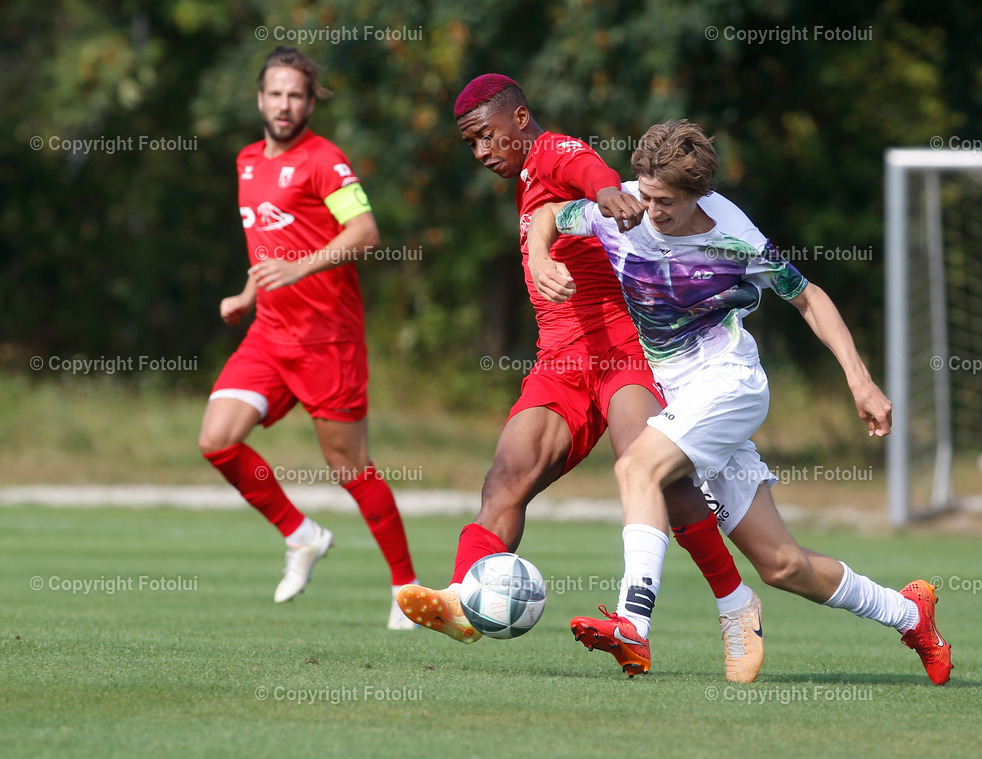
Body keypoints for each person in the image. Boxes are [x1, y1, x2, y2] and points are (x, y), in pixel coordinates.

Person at [526, 119, 952, 685]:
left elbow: (809, 298)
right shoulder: (622, 209)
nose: (651, 211)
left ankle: (632, 623)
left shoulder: (735, 237)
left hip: (729, 383)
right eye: (645, 194)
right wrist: (538, 257)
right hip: (682, 394)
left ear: (699, 194)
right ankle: (909, 614)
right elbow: (547, 215)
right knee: (781, 565)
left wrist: (860, 380)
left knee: (636, 467)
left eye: (667, 202)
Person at [397, 74, 765, 682]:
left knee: (662, 480)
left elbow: (587, 168)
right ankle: (465, 601)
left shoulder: (551, 152)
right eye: (470, 144)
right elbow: (558, 213)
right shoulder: (523, 181)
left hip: (623, 352)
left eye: (487, 137)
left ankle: (735, 605)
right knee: (505, 478)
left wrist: (610, 195)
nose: (482, 152)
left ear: (519, 119)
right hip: (560, 364)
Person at [197, 46, 417, 629]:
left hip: (328, 340)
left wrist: (298, 269)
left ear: (311, 100)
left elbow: (365, 232)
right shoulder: (246, 161)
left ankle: (406, 589)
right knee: (217, 441)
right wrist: (248, 295)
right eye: (276, 93)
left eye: (297, 94)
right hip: (270, 334)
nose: (285, 104)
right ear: (260, 99)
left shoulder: (325, 161)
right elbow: (269, 243)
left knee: (350, 467)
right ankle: (301, 535)